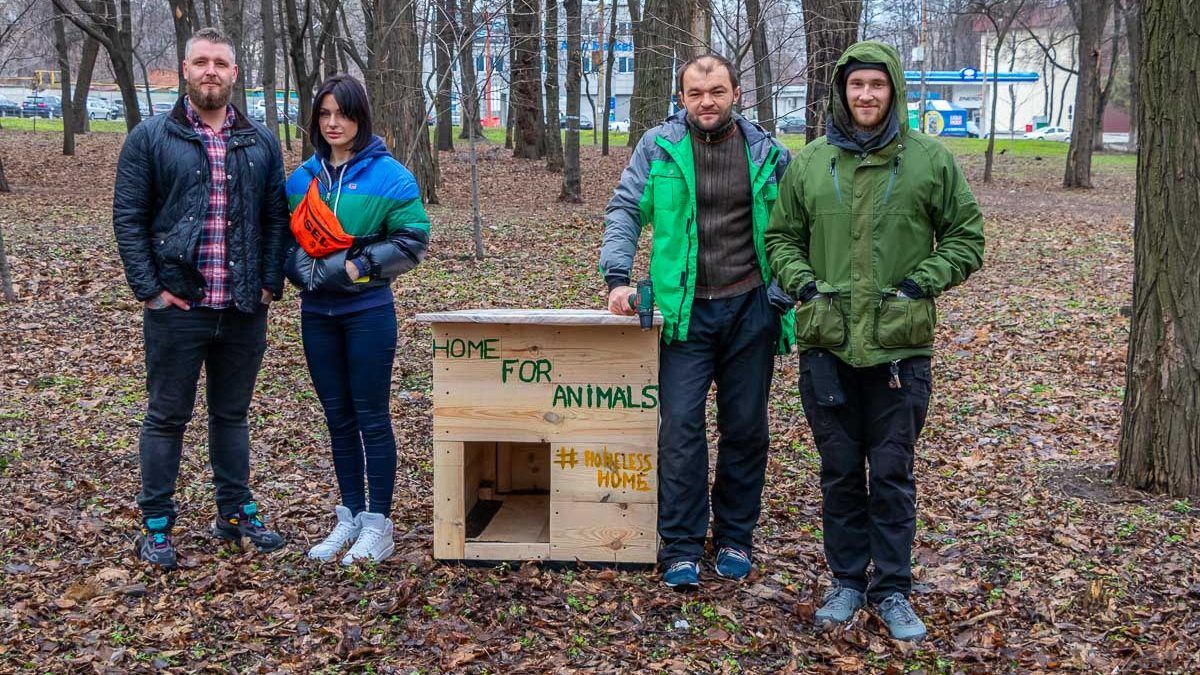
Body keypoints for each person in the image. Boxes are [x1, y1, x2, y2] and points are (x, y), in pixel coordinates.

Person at [765, 41, 985, 641]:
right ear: (842, 91)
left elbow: (967, 238)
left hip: (898, 350)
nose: (866, 95)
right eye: (856, 85)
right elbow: (780, 237)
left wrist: (921, 284)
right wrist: (805, 287)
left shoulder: (929, 161)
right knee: (839, 472)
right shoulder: (810, 163)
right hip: (827, 345)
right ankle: (846, 582)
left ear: (894, 92)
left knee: (891, 472)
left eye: (877, 85)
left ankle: (891, 588)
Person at [600, 54, 795, 589]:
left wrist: (781, 296)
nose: (706, 101)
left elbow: (799, 228)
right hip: (683, 316)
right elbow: (623, 210)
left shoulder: (768, 154)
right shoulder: (658, 148)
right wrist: (619, 276)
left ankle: (735, 536)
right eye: (694, 92)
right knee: (681, 430)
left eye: (716, 90)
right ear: (681, 98)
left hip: (751, 309)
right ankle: (682, 544)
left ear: (736, 92)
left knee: (746, 429)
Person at [113, 27, 290, 569]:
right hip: (179, 307)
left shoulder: (259, 141)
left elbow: (274, 220)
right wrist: (151, 291)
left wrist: (266, 284)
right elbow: (129, 217)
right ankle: (157, 523)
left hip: (241, 308)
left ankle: (233, 512)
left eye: (220, 63)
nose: (210, 71)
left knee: (231, 415)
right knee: (167, 416)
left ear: (234, 74)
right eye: (200, 62)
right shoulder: (151, 137)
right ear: (185, 70)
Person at [284, 74, 430, 565]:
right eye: (324, 114)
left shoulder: (391, 176)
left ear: (359, 117)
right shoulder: (302, 179)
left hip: (367, 312)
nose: (332, 123)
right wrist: (296, 268)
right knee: (337, 418)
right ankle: (348, 517)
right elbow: (283, 238)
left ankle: (378, 525)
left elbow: (413, 240)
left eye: (341, 114)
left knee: (371, 416)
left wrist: (358, 265)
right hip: (316, 313)